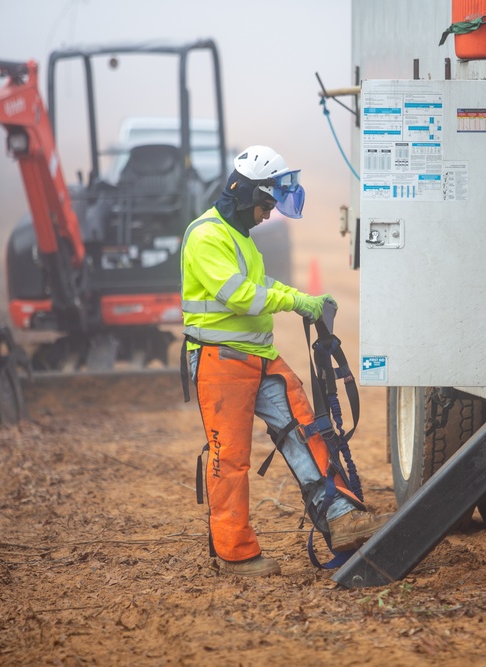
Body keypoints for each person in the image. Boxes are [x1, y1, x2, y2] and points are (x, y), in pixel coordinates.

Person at [181, 145, 391, 577]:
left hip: (258, 358)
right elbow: (239, 295)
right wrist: (295, 300)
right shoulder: (206, 236)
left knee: (305, 430)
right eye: (264, 205)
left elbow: (258, 284)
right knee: (231, 460)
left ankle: (340, 518)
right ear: (243, 194)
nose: (267, 215)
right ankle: (236, 556)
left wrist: (302, 298)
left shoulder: (240, 238)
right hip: (220, 362)